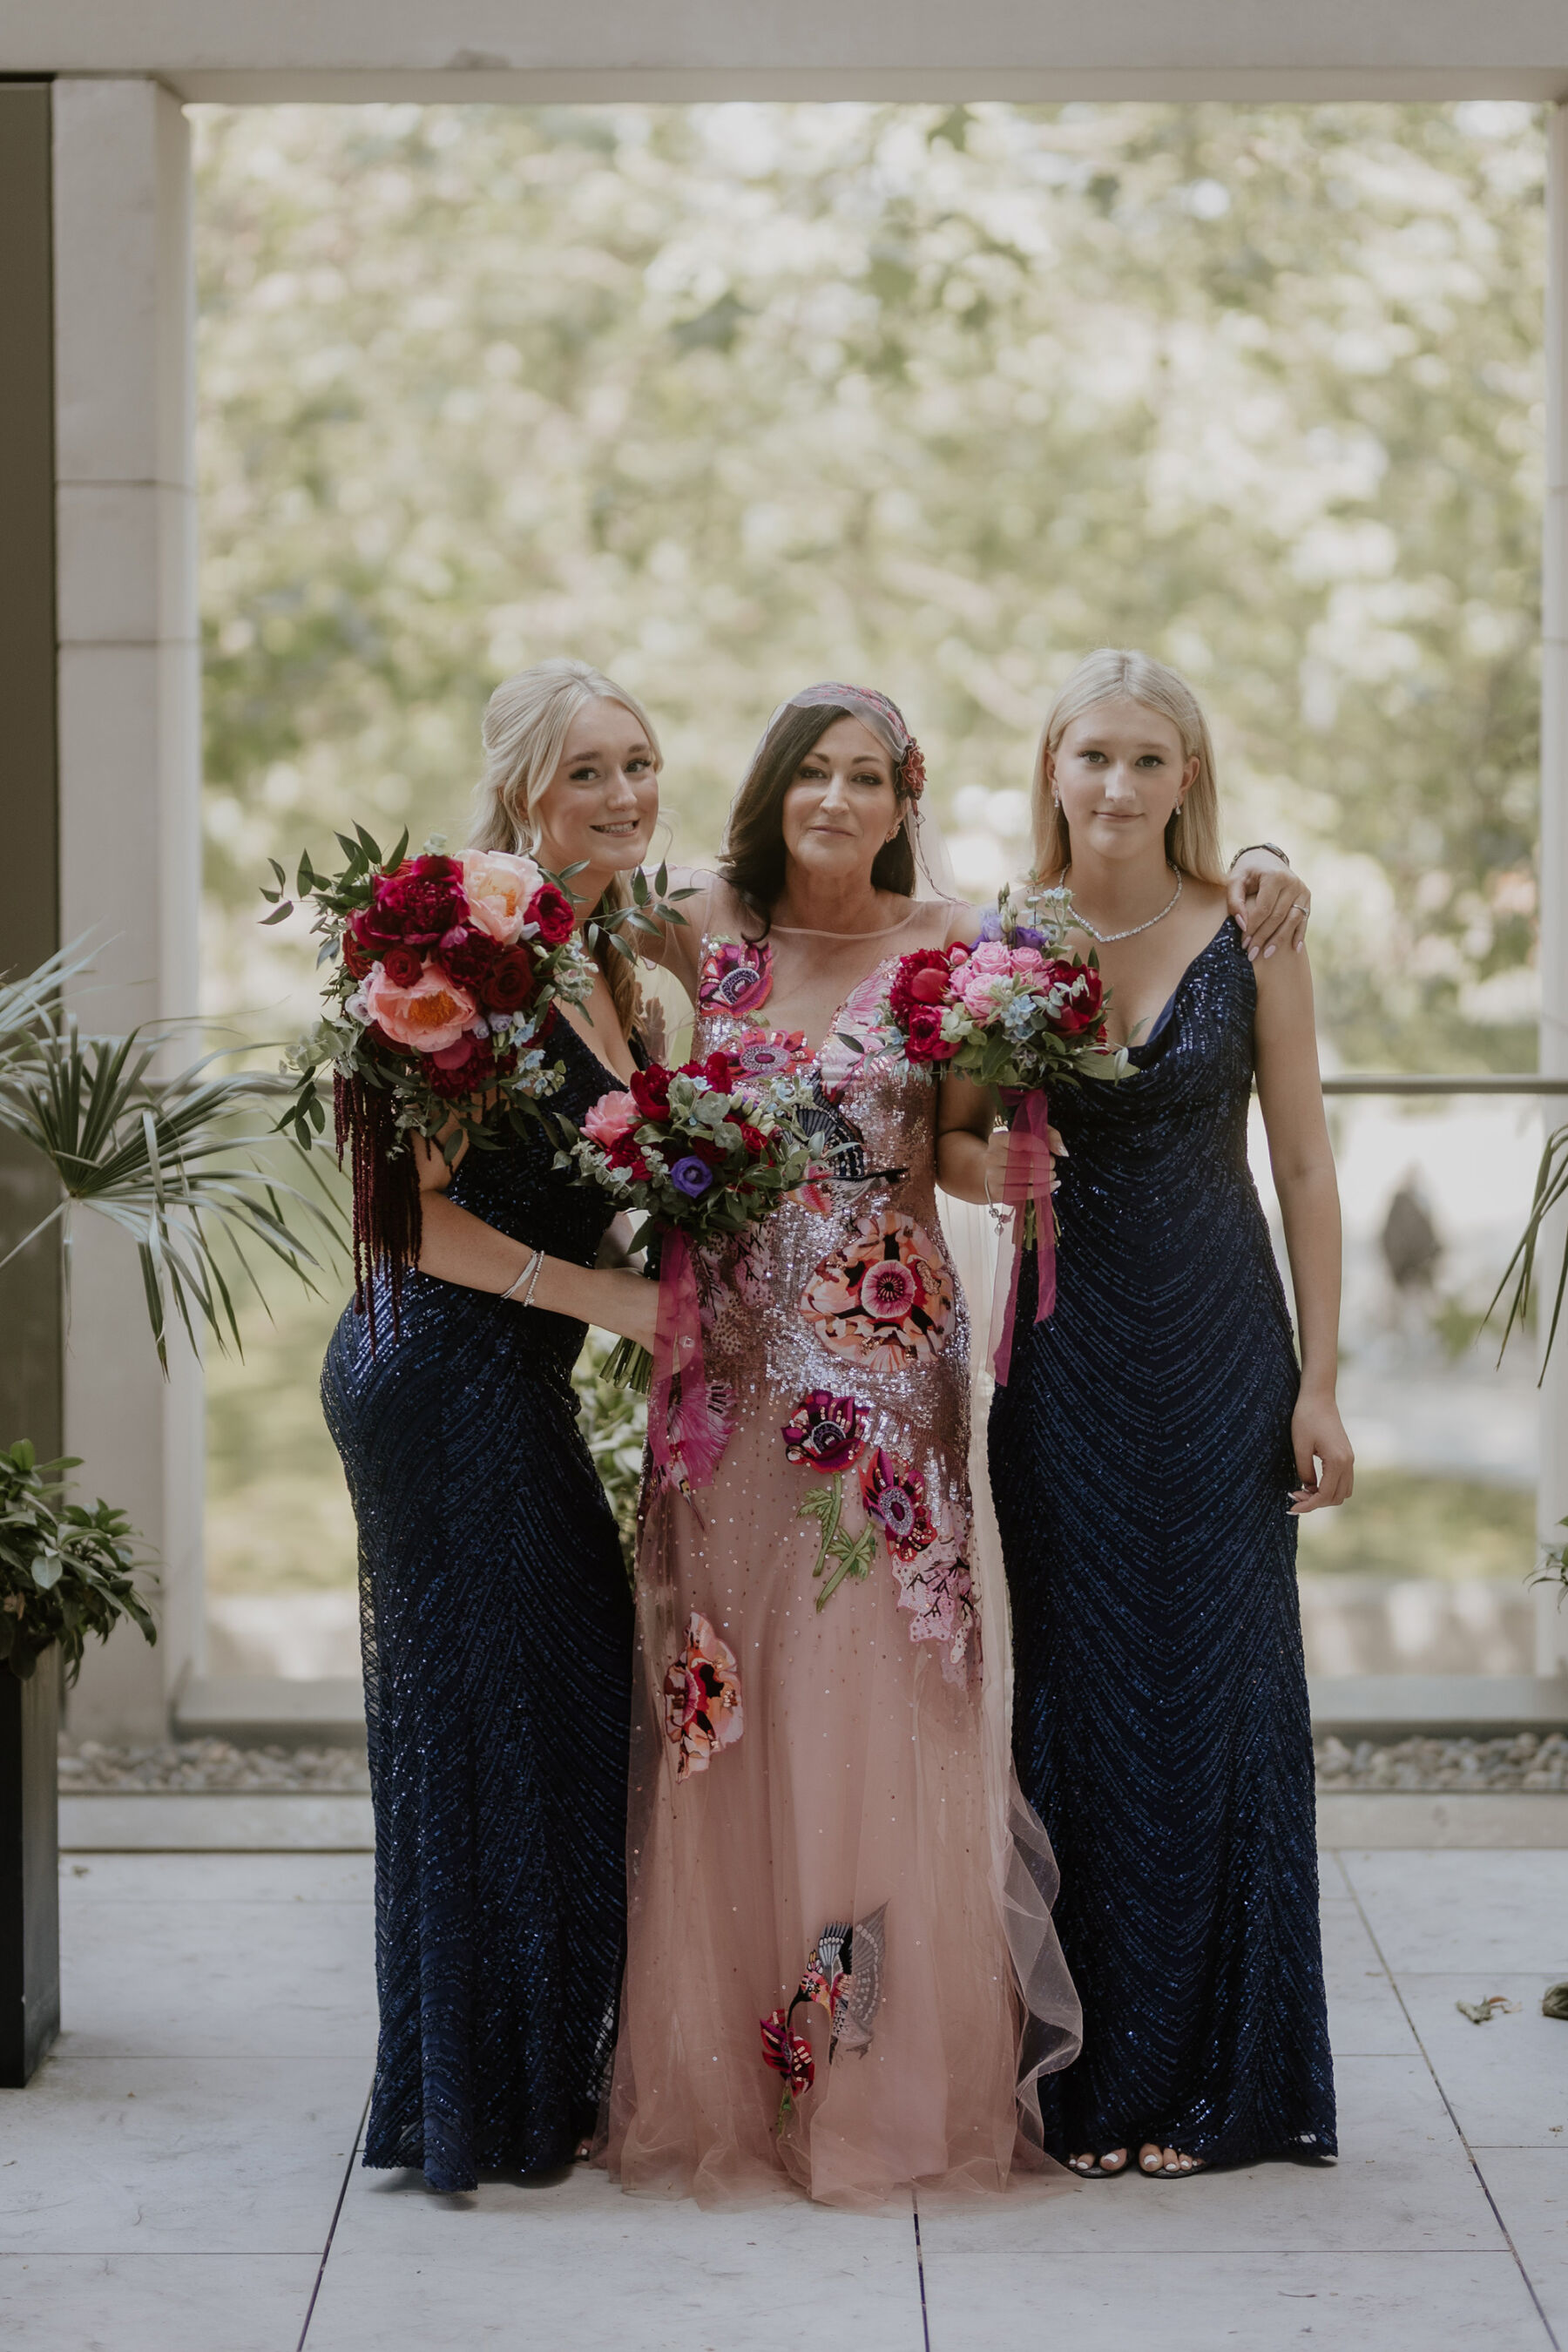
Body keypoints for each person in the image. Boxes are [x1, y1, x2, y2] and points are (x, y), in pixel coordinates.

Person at [940, 647, 1349, 2180]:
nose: (1117, 785)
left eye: (1148, 761)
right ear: (1052, 766)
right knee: (1081, 1705)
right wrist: (1004, 1174)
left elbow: (1305, 1165)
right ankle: (1095, 2087)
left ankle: (1221, 2085)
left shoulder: (1255, 927)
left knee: (1224, 1694)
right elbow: (956, 1146)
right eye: (1092, 755)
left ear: (1191, 779)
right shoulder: (1003, 940)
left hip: (1225, 1348)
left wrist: (1320, 1381)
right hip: (1062, 1358)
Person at [321, 659, 665, 2193]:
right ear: (525, 785)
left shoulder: (615, 961)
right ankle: (477, 2103)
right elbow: (406, 1217)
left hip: (508, 1372)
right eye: (587, 770)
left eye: (641, 764)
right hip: (432, 1367)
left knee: (565, 1705)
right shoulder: (469, 947)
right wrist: (610, 1302)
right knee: (489, 1728)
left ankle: (516, 2078)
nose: (621, 794)